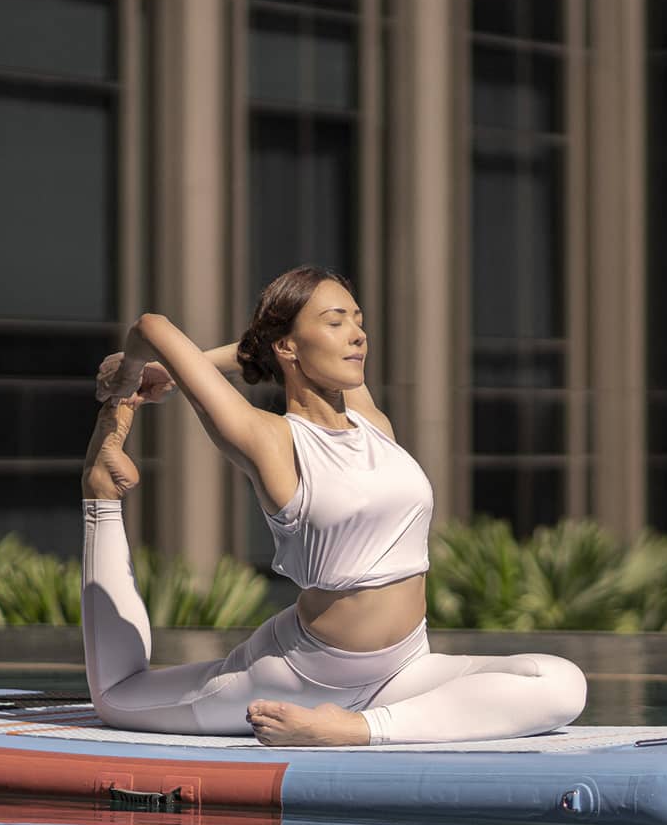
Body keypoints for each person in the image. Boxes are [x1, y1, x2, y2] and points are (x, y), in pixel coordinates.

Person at [81, 264, 587, 746]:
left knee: (563, 682)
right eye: (336, 321)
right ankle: (100, 493)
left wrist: (175, 372)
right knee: (116, 699)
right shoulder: (269, 439)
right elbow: (151, 326)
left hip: (403, 670)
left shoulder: (369, 421)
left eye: (359, 321)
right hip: (301, 680)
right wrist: (133, 376)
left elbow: (260, 349)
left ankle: (359, 729)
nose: (358, 334)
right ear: (289, 346)